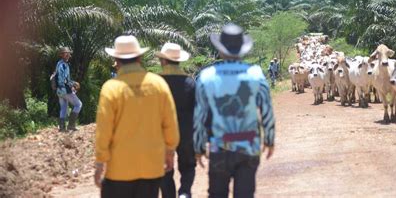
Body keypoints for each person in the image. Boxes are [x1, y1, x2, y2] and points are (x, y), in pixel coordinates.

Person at [193, 24, 276, 198]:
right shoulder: (256, 74)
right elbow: (267, 109)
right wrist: (269, 139)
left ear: (220, 50)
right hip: (249, 147)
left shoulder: (206, 76)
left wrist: (199, 147)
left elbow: (199, 116)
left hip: (219, 147)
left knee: (217, 194)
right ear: (242, 51)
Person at [94, 35, 180, 198]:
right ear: (139, 58)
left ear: (116, 60)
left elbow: (103, 130)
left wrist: (100, 162)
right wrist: (169, 152)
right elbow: (170, 123)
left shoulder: (111, 88)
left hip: (119, 170)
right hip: (151, 167)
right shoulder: (158, 84)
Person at [156, 42, 196, 198]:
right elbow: (197, 111)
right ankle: (184, 192)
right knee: (188, 166)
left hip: (162, 134)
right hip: (186, 132)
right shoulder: (190, 83)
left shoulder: (156, 83)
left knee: (165, 168)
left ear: (164, 61)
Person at [55, 47, 82, 132]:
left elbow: (62, 79)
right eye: (66, 53)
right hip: (65, 90)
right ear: (62, 55)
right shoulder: (63, 65)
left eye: (68, 53)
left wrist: (72, 84)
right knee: (78, 104)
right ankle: (71, 125)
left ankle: (62, 127)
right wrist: (73, 84)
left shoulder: (59, 64)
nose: (68, 55)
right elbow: (64, 80)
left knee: (63, 108)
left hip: (59, 90)